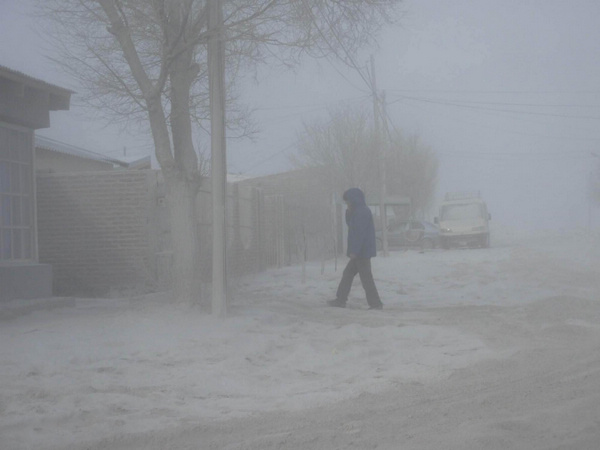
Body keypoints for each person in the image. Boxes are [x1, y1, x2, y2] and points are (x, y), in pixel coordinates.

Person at [328, 187, 383, 310]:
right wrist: (348, 212)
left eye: (348, 201)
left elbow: (359, 233)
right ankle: (341, 299)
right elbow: (351, 226)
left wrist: (354, 251)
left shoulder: (362, 212)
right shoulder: (358, 211)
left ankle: (375, 304)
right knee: (349, 274)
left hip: (361, 252)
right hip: (361, 252)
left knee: (365, 278)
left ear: (354, 200)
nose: (347, 203)